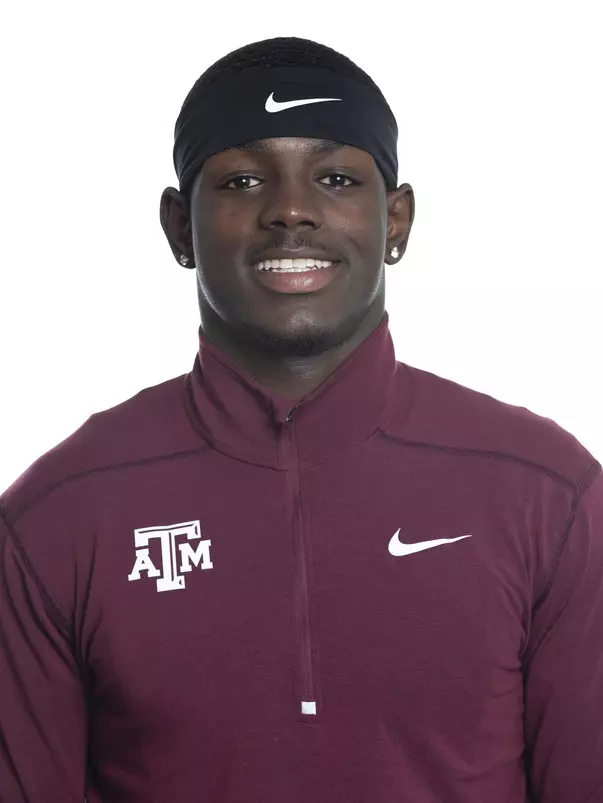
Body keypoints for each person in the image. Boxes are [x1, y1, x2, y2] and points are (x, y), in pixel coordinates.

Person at [0, 35, 601, 803]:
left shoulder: (547, 494)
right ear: (180, 227)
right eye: (244, 179)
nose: (289, 209)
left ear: (397, 220)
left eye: (336, 177)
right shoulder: (59, 515)